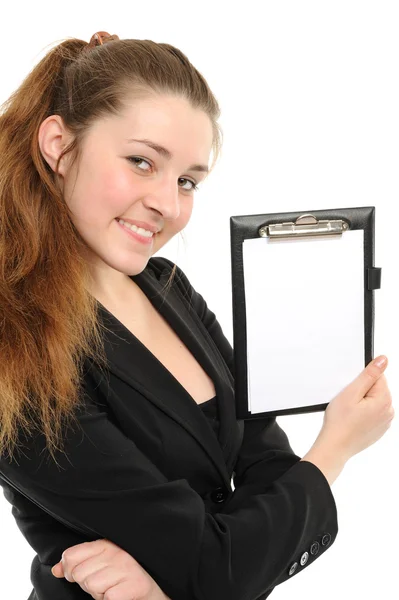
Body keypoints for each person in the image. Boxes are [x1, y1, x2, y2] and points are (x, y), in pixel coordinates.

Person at [0, 31, 393, 600]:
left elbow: (266, 474)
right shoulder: (17, 341)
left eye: (187, 181)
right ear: (59, 146)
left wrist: (192, 570)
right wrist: (334, 450)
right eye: (141, 162)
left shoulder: (169, 288)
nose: (169, 204)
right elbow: (218, 567)